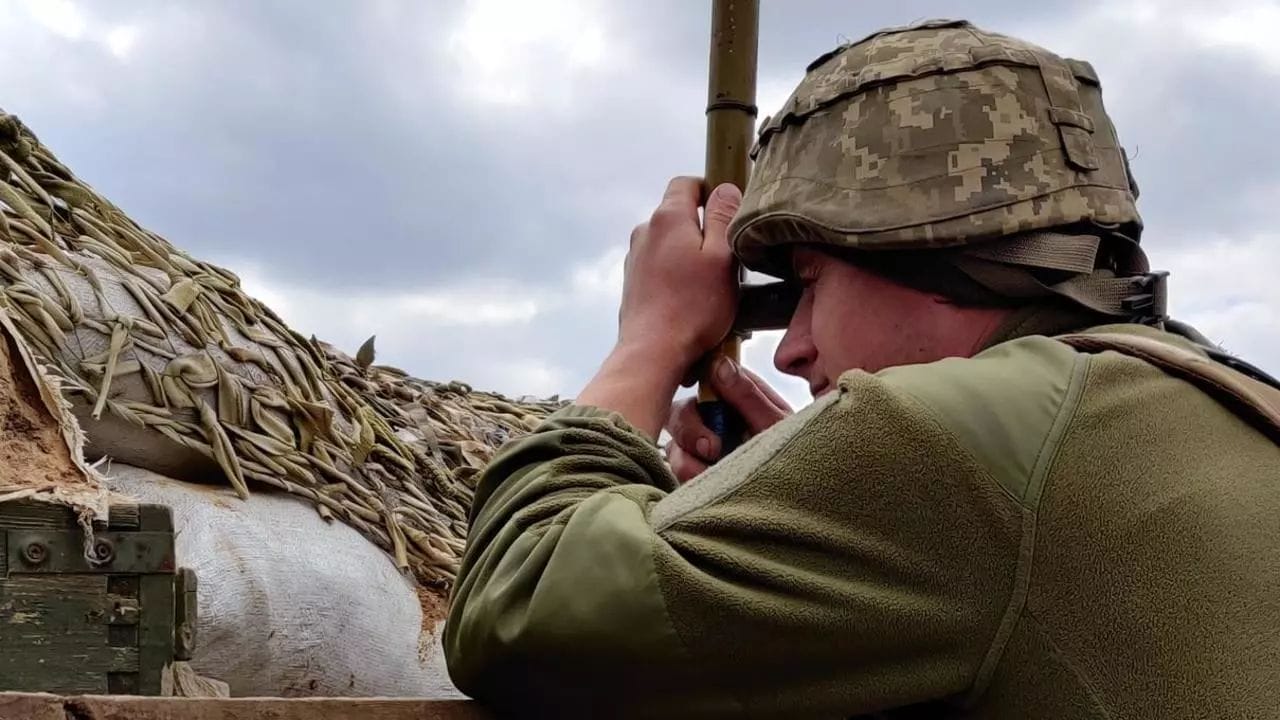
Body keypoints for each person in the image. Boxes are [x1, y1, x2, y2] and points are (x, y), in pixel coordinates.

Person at [442, 18, 1280, 719]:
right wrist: (799, 499)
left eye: (809, 283)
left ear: (934, 258)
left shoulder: (950, 442)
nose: (791, 345)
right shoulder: (1215, 398)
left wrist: (650, 339)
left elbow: (522, 607)